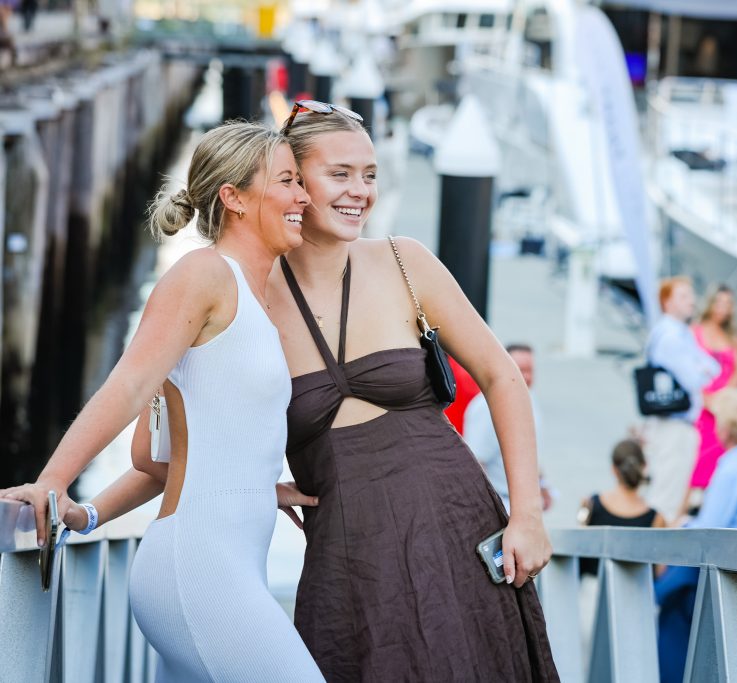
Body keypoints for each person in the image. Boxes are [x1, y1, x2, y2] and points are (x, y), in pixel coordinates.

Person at [0, 122, 326, 682]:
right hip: (200, 566)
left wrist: (93, 513)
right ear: (234, 198)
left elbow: (154, 457)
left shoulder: (259, 296)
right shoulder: (204, 275)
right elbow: (129, 384)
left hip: (219, 563)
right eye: (288, 180)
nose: (304, 197)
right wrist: (53, 482)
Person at [270, 103, 558, 681]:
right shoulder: (251, 292)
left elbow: (502, 376)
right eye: (340, 173)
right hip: (348, 549)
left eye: (370, 174)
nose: (360, 191)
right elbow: (184, 430)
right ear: (292, 180)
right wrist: (255, 486)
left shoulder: (404, 261)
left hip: (453, 520)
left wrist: (526, 514)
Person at [654, 388, 737, 683]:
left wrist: (680, 524)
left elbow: (709, 530)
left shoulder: (731, 468)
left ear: (725, 428)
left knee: (668, 603)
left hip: (726, 570)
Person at [641, 276, 720, 522]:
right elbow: (695, 378)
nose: (691, 301)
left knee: (672, 492)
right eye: (683, 296)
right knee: (667, 495)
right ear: (667, 302)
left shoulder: (680, 333)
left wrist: (700, 369)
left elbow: (712, 367)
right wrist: (700, 370)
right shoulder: (671, 337)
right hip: (672, 424)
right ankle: (656, 544)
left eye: (691, 295)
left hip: (678, 423)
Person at [464, 343, 551, 513]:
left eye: (530, 370)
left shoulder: (528, 398)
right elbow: (475, 462)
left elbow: (530, 452)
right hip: (501, 504)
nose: (526, 376)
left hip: (523, 503)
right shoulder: (486, 407)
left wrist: (543, 486)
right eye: (521, 370)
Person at [684, 284, 737, 512]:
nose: (722, 308)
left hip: (723, 407)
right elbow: (687, 366)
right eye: (719, 302)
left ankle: (713, 506)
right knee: (695, 460)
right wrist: (706, 398)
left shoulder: (733, 338)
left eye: (727, 304)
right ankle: (684, 508)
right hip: (702, 406)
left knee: (720, 457)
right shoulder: (695, 332)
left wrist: (725, 398)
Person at [578, 439, 666, 576]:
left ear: (613, 469)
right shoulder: (656, 518)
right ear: (644, 466)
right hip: (637, 588)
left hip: (592, 586)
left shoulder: (590, 503)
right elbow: (659, 571)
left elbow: (579, 548)